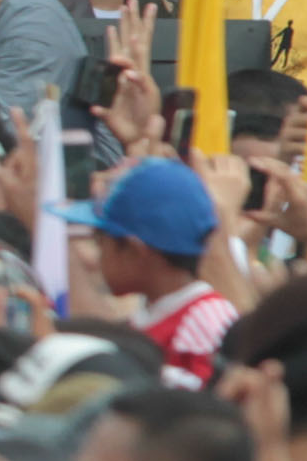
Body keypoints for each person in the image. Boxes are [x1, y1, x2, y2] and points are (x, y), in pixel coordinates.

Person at [72, 158, 235, 387]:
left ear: (134, 251)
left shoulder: (206, 325)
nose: (94, 259)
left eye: (101, 242)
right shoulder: (149, 313)